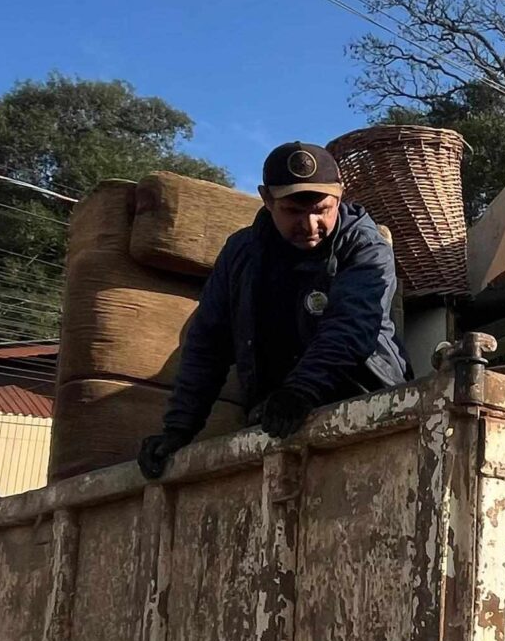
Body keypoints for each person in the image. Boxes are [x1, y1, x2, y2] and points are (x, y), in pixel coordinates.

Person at [137, 142, 407, 479]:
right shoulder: (240, 254)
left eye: (322, 210)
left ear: (340, 196)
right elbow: (208, 344)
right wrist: (179, 429)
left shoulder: (365, 246)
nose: (310, 225)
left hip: (366, 406)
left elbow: (352, 325)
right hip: (277, 423)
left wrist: (300, 391)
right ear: (266, 199)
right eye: (293, 211)